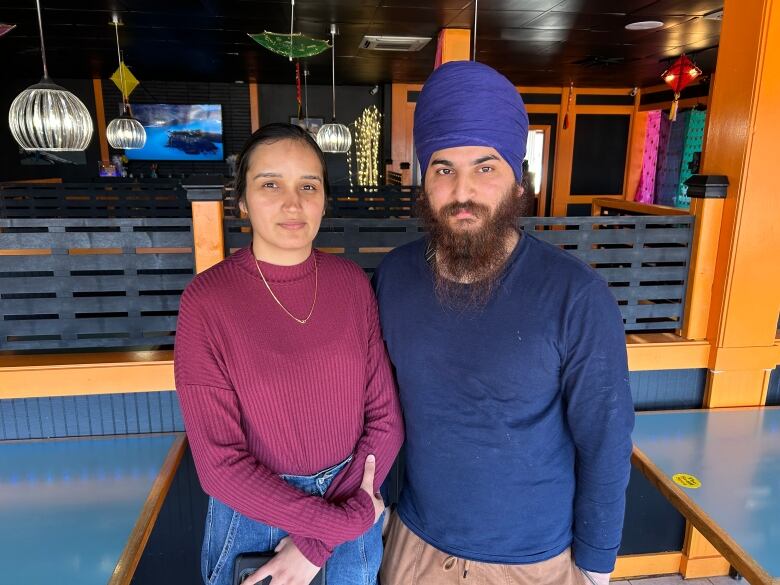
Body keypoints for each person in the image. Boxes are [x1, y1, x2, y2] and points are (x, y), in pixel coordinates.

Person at [374, 61, 635, 585]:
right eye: (443, 168)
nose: (462, 190)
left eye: (485, 167)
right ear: (424, 180)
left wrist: (596, 566)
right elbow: (368, 400)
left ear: (519, 181)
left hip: (532, 561)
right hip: (414, 547)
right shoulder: (395, 277)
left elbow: (606, 441)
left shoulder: (575, 294)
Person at [174, 123, 403, 585]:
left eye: (308, 186)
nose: (292, 203)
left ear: (323, 198)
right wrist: (343, 522)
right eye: (270, 184)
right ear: (241, 201)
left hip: (350, 493)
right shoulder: (207, 301)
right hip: (256, 515)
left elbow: (385, 422)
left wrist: (320, 540)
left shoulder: (351, 283)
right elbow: (221, 468)